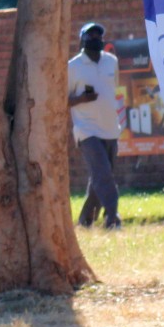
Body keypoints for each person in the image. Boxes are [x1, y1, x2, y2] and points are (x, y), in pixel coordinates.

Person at [67, 21, 122, 230]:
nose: (96, 39)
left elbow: (113, 88)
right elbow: (62, 99)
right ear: (82, 40)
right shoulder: (73, 67)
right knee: (104, 174)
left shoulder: (111, 62)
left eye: (99, 36)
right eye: (91, 36)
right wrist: (81, 99)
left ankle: (84, 221)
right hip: (86, 130)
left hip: (110, 128)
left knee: (101, 177)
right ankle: (112, 217)